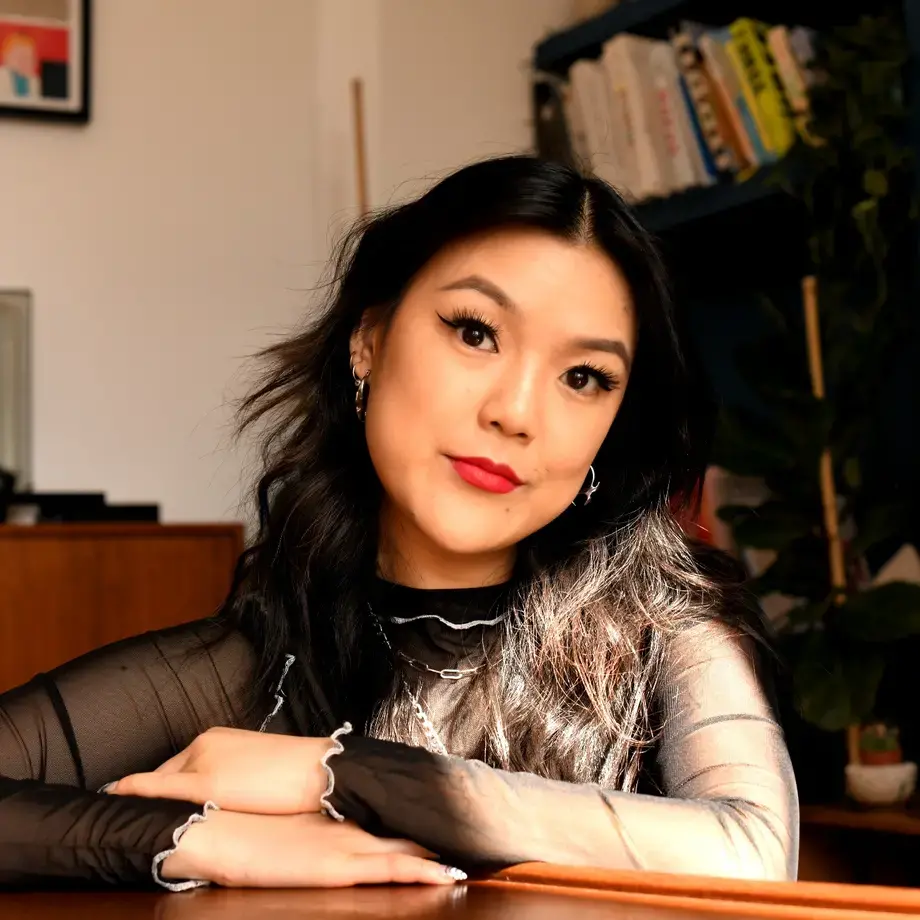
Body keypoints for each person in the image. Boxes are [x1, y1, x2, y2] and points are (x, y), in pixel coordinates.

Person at [0, 156, 798, 891]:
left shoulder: (667, 627)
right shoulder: (255, 668)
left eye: (584, 377)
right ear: (370, 341)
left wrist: (341, 774)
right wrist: (194, 837)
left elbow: (755, 851)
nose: (516, 413)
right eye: (475, 332)